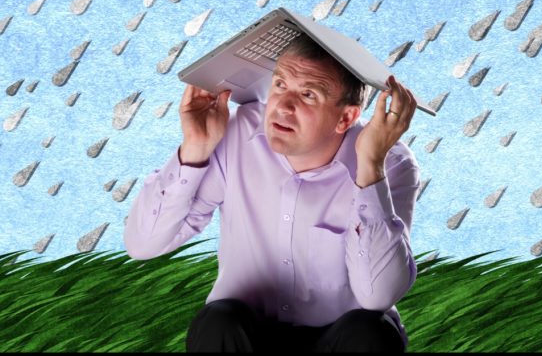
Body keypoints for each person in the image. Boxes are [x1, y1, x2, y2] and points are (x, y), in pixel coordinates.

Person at [124, 33, 421, 352]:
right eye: (280, 85)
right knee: (218, 322)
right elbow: (143, 244)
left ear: (345, 117)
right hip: (247, 333)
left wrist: (370, 166)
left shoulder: (390, 162)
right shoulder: (236, 132)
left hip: (339, 334)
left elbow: (377, 295)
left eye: (308, 94)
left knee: (371, 331)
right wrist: (195, 148)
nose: (283, 106)